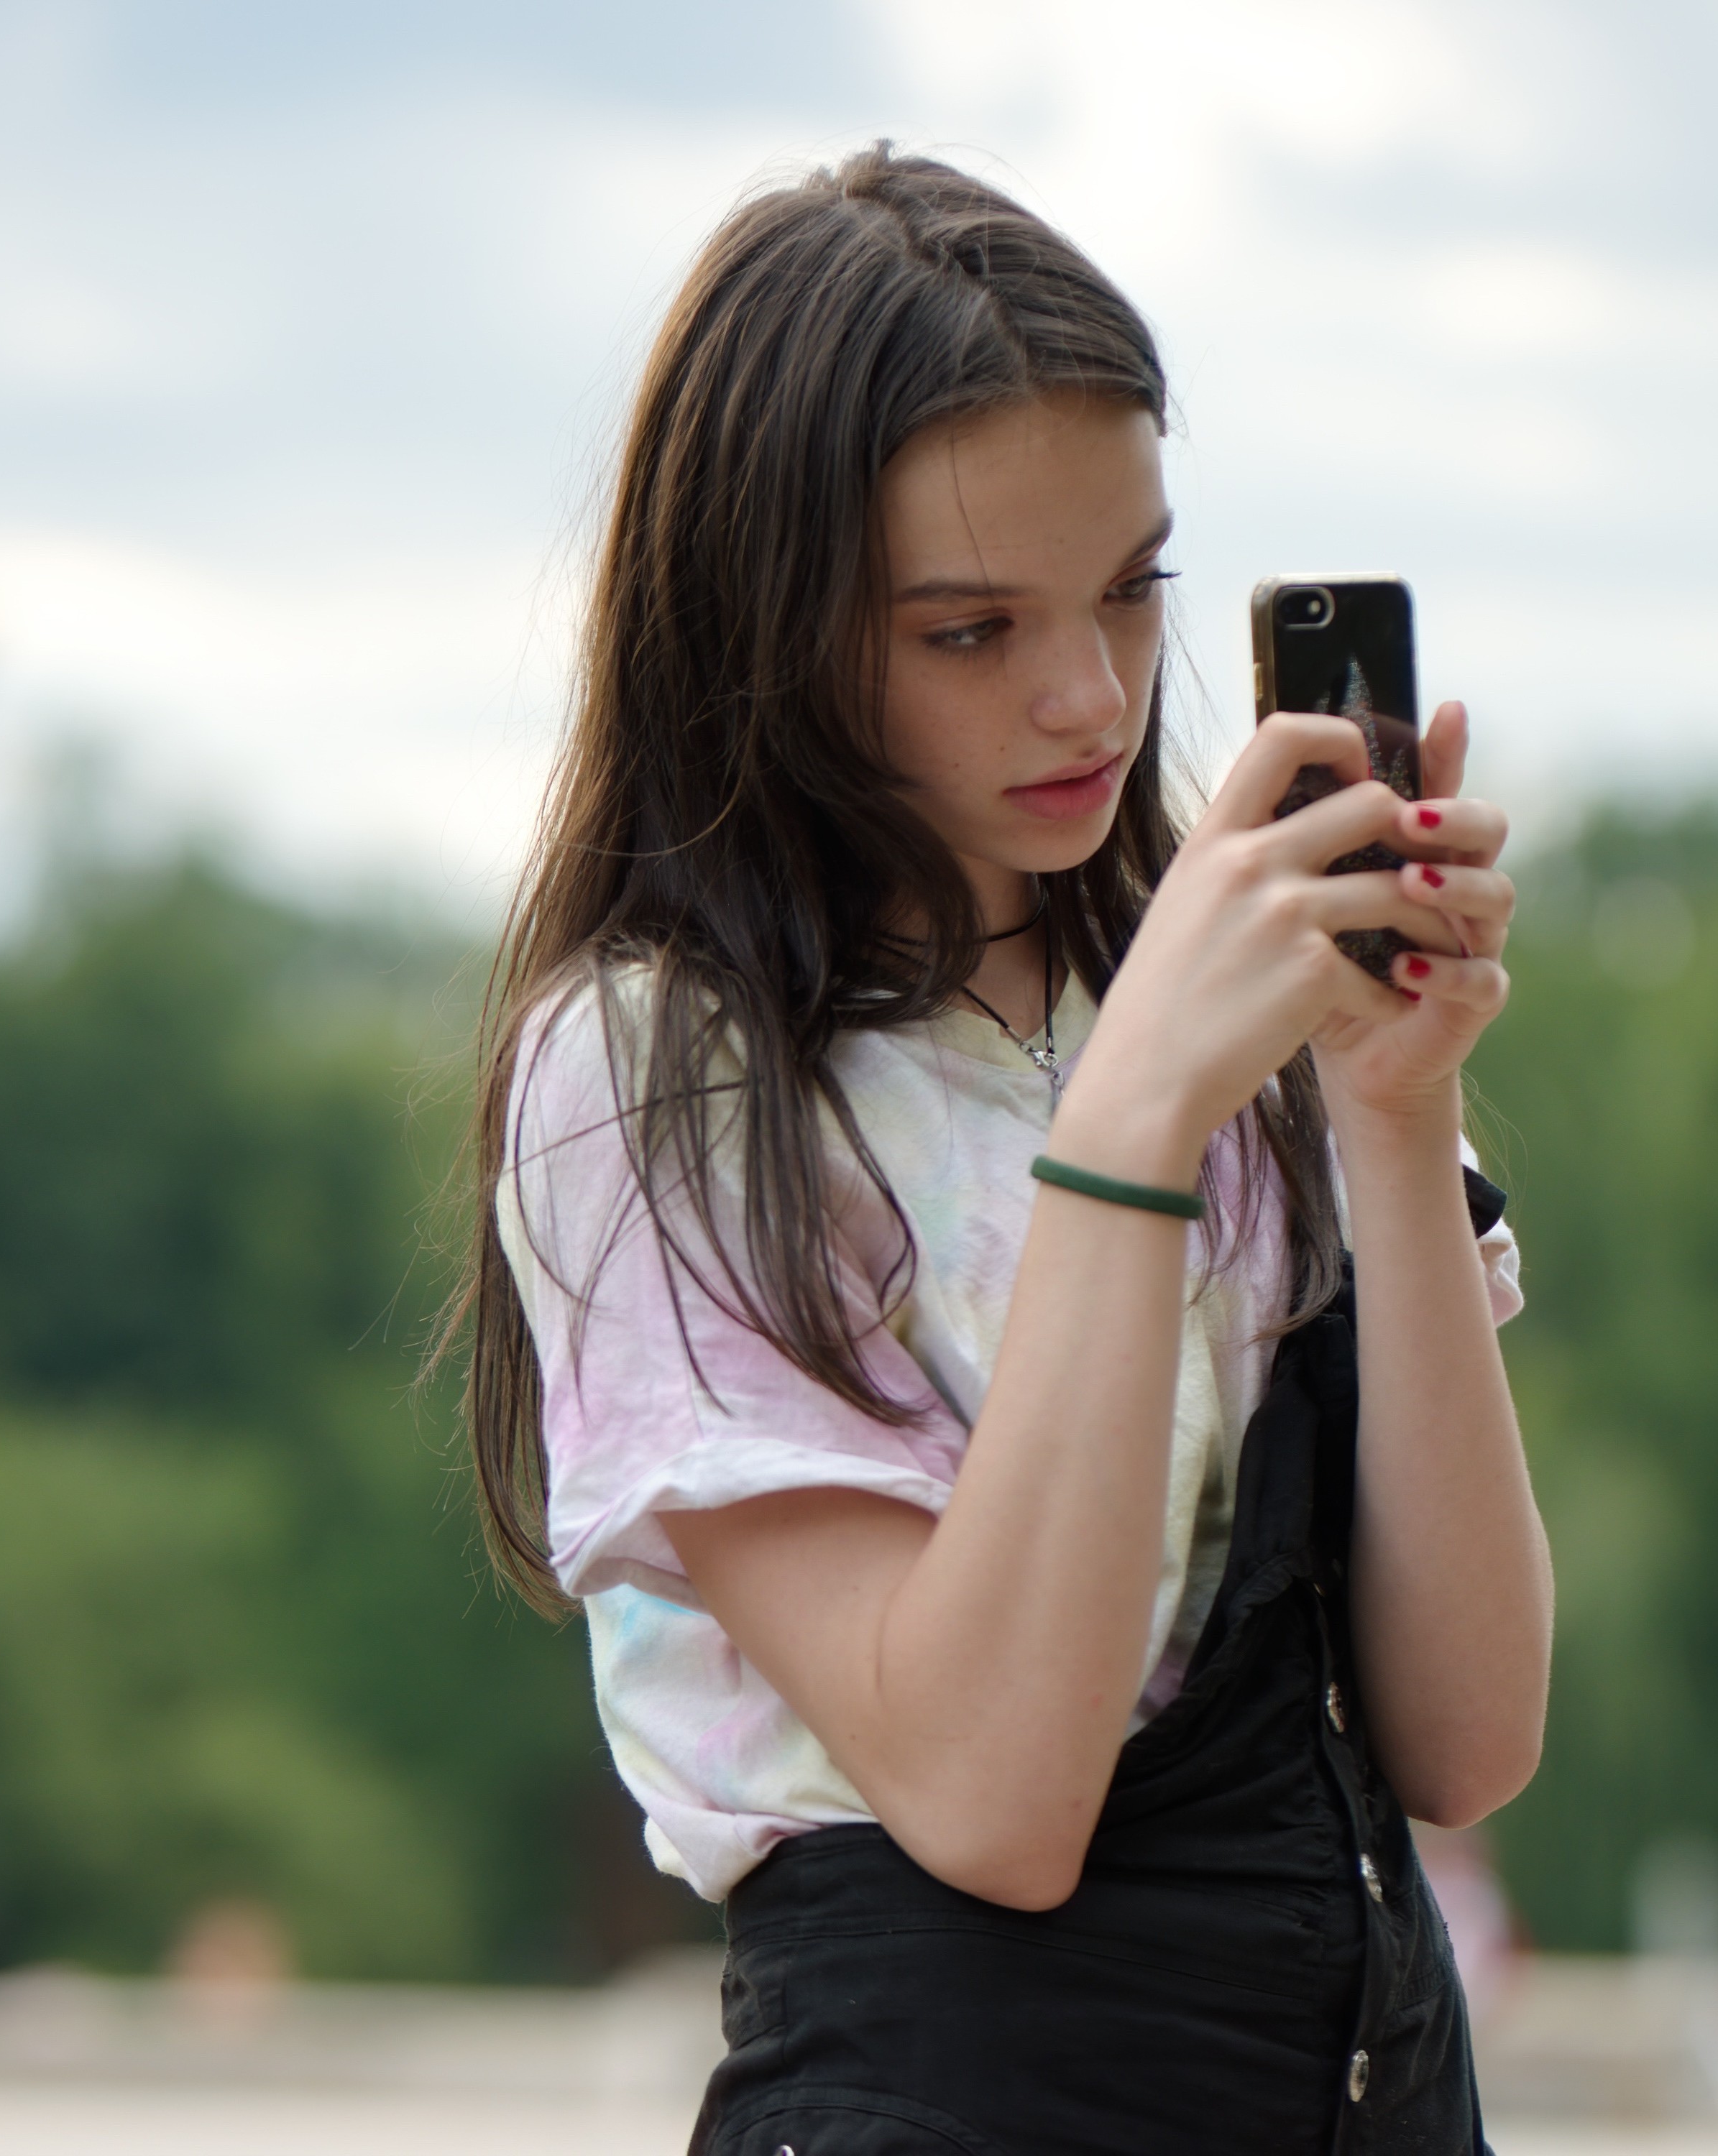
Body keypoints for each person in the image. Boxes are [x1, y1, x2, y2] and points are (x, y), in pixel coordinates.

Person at [453, 146, 1548, 2152]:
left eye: (1136, 588)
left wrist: (1393, 1115)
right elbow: (993, 1800)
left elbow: (1466, 1740)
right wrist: (1132, 1122)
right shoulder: (657, 1074)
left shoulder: (1217, 993)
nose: (1091, 693)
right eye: (970, 630)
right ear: (762, 625)